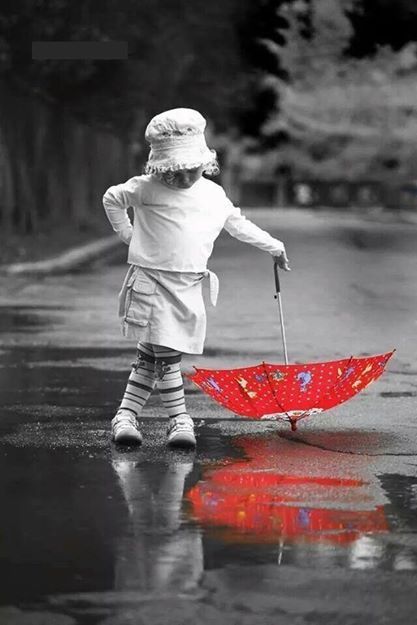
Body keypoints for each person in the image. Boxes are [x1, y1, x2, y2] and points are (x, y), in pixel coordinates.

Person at [102, 108, 290, 448]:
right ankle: (180, 420)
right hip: (152, 283)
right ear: (161, 166)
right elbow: (113, 198)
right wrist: (128, 234)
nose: (185, 177)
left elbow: (238, 224)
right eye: (176, 170)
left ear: (205, 162)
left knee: (150, 358)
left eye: (192, 168)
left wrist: (274, 246)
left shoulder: (212, 195)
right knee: (167, 356)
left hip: (188, 288)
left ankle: (125, 415)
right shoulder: (147, 188)